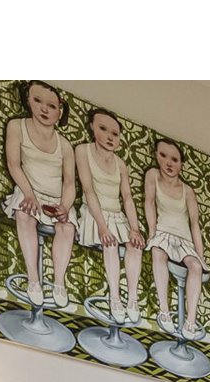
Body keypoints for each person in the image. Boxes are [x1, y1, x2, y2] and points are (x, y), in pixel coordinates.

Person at [1, 80, 77, 308]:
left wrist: (65, 206)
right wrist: (29, 194)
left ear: (59, 111)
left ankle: (59, 283)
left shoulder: (64, 145)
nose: (44, 109)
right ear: (28, 101)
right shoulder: (17, 126)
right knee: (25, 214)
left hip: (55, 199)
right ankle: (33, 279)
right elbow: (14, 164)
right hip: (28, 191)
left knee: (68, 227)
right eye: (37, 101)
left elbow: (70, 182)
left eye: (52, 106)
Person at [71, 107, 146, 324]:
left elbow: (128, 198)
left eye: (114, 133)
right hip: (94, 212)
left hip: (116, 214)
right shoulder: (83, 151)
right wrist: (102, 227)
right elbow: (88, 189)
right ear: (92, 127)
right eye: (103, 129)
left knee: (135, 246)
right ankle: (115, 297)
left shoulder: (120, 164)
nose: (109, 137)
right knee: (111, 244)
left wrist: (134, 228)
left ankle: (132, 298)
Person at [143, 137, 208, 338]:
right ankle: (164, 310)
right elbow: (149, 203)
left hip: (184, 239)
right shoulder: (152, 175)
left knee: (195, 267)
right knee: (158, 253)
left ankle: (190, 320)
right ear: (156, 156)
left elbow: (194, 224)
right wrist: (152, 233)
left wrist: (200, 255)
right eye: (163, 156)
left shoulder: (188, 191)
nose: (169, 163)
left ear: (181, 164)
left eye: (175, 159)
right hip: (163, 232)